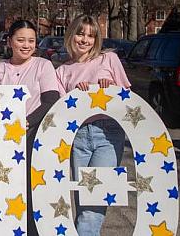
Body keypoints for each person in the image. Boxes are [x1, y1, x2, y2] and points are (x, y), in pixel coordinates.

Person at [55, 14, 131, 236]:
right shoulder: (62, 71)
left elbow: (127, 96)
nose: (85, 39)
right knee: (82, 200)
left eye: (91, 35)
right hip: (77, 136)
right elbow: (62, 111)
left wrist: (110, 89)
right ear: (71, 35)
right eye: (80, 33)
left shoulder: (109, 59)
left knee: (95, 201)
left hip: (107, 135)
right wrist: (74, 95)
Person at [0, 20, 59, 236]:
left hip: (34, 135)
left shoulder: (42, 65)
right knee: (7, 188)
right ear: (10, 42)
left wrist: (27, 121)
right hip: (4, 139)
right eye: (20, 40)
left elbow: (51, 99)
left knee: (32, 189)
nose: (26, 45)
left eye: (31, 40)